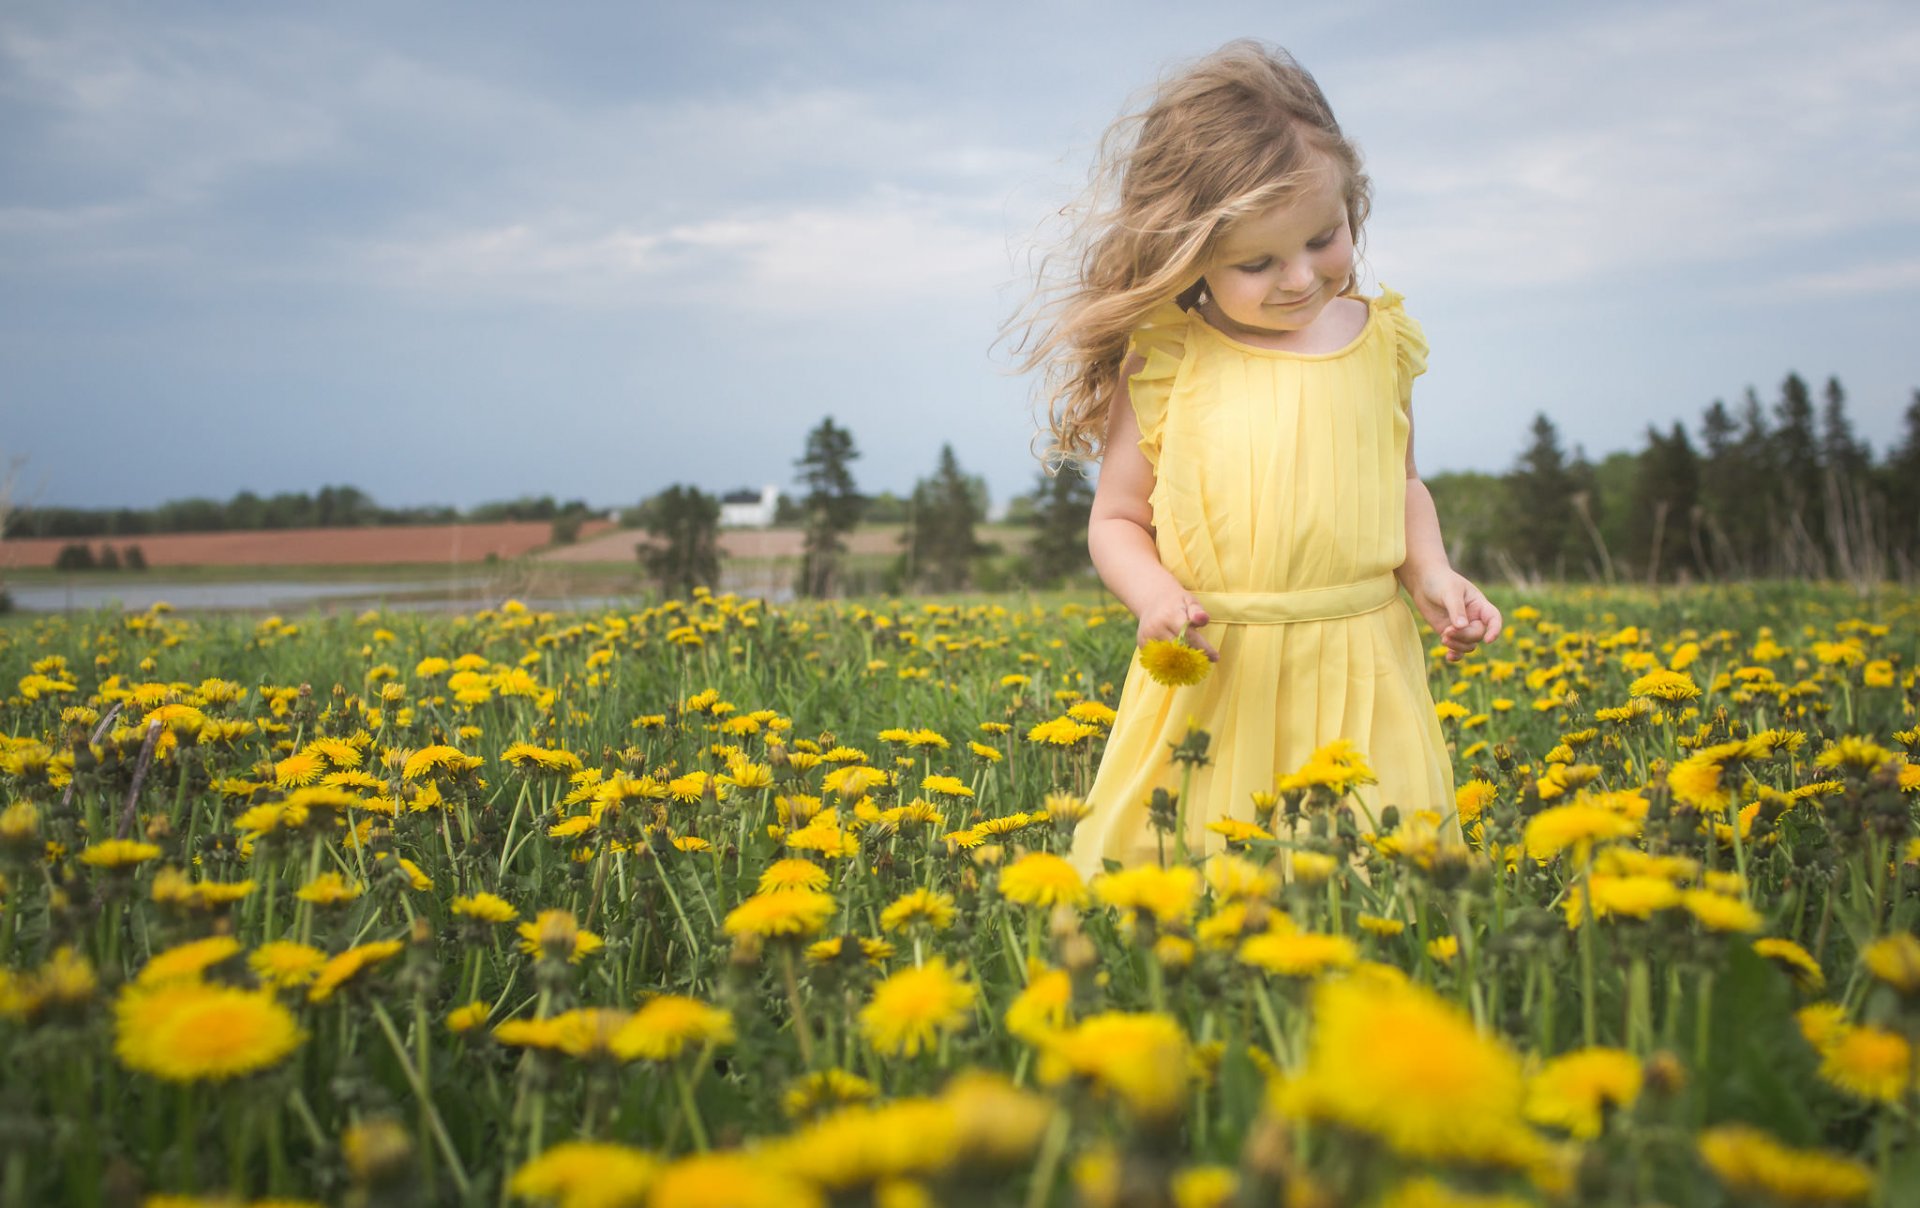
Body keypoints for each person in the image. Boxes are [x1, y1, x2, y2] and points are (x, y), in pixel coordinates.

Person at [1010, 40, 1502, 875]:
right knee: (1195, 876)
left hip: (1362, 661)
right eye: (1258, 261)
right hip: (1221, 668)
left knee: (1376, 880)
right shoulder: (1168, 357)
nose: (1301, 278)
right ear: (1189, 250)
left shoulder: (1381, 343)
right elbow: (1119, 519)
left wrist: (1432, 574)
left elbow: (1404, 483)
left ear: (1354, 206)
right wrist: (1155, 595)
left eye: (1323, 237)